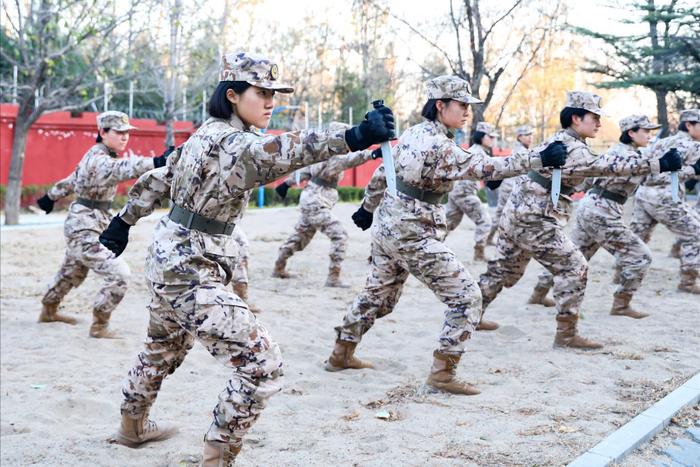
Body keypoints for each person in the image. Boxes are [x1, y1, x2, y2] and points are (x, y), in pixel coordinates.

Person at [98, 51, 394, 465]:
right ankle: (217, 455)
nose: (271, 101)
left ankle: (132, 427)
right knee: (262, 362)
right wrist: (355, 136)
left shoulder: (206, 134)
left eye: (274, 93)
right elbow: (290, 148)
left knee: (162, 345)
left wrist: (124, 220)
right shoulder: (239, 144)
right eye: (261, 92)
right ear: (233, 95)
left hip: (169, 256)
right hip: (190, 267)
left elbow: (159, 177)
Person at [326, 75, 566, 396]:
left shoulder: (413, 134)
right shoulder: (439, 145)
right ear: (440, 106)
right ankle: (442, 374)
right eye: (461, 105)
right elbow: (487, 168)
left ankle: (341, 353)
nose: (467, 111)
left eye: (469, 105)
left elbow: (386, 169)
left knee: (378, 296)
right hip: (414, 232)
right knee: (467, 298)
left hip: (390, 224)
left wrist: (368, 208)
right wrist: (539, 159)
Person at [477, 92, 683, 350]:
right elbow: (605, 168)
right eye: (594, 118)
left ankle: (471, 315)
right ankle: (566, 335)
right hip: (535, 218)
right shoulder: (574, 148)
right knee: (575, 267)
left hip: (521, 213)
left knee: (504, 270)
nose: (598, 123)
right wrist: (658, 163)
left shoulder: (560, 140)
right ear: (576, 118)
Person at [35, 111, 169, 337]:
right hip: (83, 227)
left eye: (127, 133)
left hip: (93, 224)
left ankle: (48, 311)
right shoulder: (99, 160)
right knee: (119, 274)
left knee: (71, 271)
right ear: (102, 133)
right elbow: (122, 169)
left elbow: (72, 179)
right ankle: (99, 325)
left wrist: (50, 197)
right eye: (118, 132)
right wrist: (156, 162)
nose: (124, 137)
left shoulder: (96, 155)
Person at [527, 115, 669, 319]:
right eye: (645, 131)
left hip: (594, 207)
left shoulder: (623, 152)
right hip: (602, 211)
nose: (649, 135)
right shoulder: (625, 155)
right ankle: (621, 304)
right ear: (631, 133)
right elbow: (646, 170)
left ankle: (538, 294)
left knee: (573, 255)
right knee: (641, 257)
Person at [271, 127, 381, 287]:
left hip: (310, 199)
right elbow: (352, 159)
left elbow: (303, 172)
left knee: (300, 237)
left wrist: (286, 184)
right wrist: (372, 154)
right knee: (340, 235)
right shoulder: (335, 157)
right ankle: (333, 278)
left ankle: (278, 268)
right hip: (317, 202)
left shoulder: (319, 154)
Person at [630, 109, 700, 294]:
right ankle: (688, 283)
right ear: (689, 125)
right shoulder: (693, 146)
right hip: (666, 196)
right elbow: (677, 174)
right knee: (695, 235)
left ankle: (622, 275)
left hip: (644, 194)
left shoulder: (662, 142)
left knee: (637, 238)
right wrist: (694, 170)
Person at [444, 122, 496, 261]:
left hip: (457, 191)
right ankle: (479, 254)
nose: (493, 139)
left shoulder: (475, 150)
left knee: (448, 223)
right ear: (481, 137)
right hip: (464, 193)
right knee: (485, 221)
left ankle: (429, 245)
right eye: (490, 136)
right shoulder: (477, 153)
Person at [486, 124, 533, 247]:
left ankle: (490, 238)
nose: (530, 137)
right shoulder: (521, 151)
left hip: (512, 185)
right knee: (507, 215)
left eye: (530, 134)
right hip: (511, 187)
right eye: (526, 135)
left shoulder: (522, 150)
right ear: (519, 137)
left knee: (502, 214)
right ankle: (496, 240)